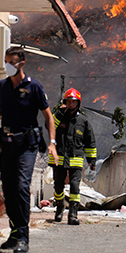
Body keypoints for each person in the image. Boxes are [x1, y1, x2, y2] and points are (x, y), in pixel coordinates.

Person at [0, 46, 57, 253]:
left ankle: (23, 237)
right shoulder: (2, 86)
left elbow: (48, 117)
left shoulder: (34, 87)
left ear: (21, 64)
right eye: (5, 61)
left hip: (27, 146)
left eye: (11, 62)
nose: (7, 66)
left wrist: (52, 143)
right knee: (9, 190)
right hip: (6, 145)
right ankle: (14, 233)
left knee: (22, 186)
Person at [49, 88, 97, 225]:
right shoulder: (59, 117)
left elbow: (90, 142)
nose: (71, 104)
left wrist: (92, 161)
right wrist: (59, 112)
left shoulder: (83, 121)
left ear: (78, 103)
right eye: (68, 102)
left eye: (73, 102)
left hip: (76, 158)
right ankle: (60, 206)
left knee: (75, 185)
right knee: (58, 186)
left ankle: (73, 214)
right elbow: (50, 126)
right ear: (65, 102)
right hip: (59, 157)